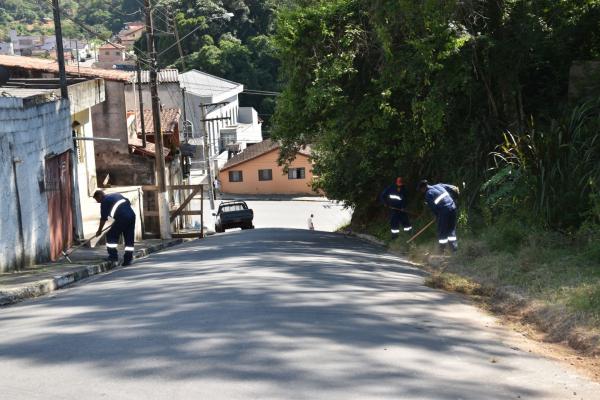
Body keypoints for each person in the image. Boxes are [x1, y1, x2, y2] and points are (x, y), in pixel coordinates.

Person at [93, 190, 137, 266]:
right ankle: (128, 259)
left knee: (110, 235)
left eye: (97, 200)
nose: (98, 202)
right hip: (131, 216)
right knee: (129, 238)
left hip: (122, 218)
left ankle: (113, 256)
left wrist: (99, 230)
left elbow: (103, 218)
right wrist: (118, 217)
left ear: (99, 196)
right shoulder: (116, 194)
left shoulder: (104, 201)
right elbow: (127, 203)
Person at [418, 180, 459, 253]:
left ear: (423, 188)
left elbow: (434, 208)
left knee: (442, 231)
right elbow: (454, 188)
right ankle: (454, 251)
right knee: (451, 229)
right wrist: (455, 198)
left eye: (420, 190)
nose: (421, 191)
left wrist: (437, 216)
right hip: (453, 207)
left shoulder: (428, 194)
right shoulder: (439, 185)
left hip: (444, 211)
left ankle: (441, 252)